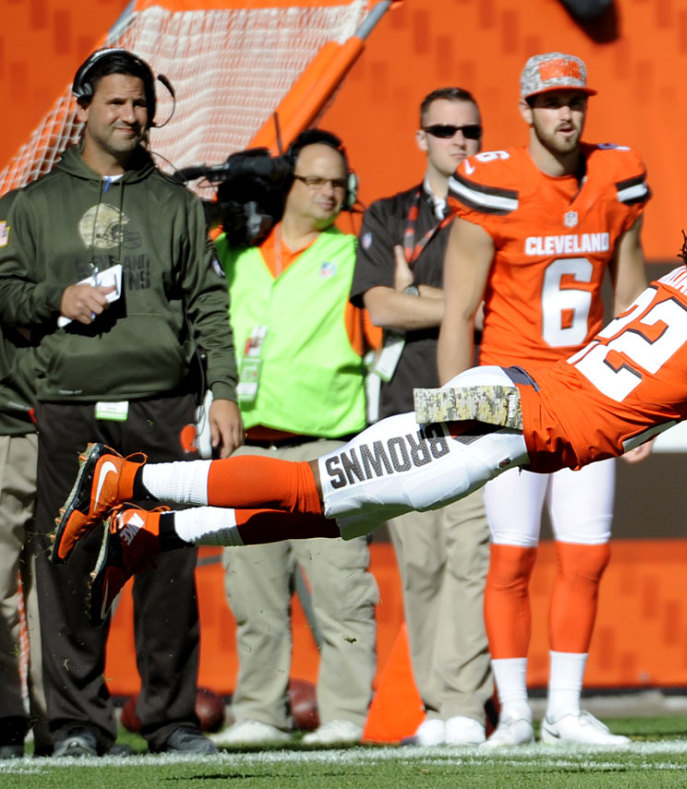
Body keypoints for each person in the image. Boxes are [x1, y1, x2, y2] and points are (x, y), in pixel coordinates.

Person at [53, 202, 687, 722]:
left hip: (515, 409)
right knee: (321, 485)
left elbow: (677, 381)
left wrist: (682, 414)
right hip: (502, 420)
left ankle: (158, 525)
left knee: (338, 514)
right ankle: (126, 480)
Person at [0, 48, 241, 757]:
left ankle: (170, 720)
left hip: (163, 406)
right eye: (115, 102)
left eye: (140, 104)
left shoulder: (174, 204)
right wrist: (56, 297)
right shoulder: (33, 205)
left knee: (167, 561)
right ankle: (77, 724)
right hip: (68, 405)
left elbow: (208, 303)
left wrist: (222, 392)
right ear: (82, 104)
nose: (131, 115)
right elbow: (5, 293)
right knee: (70, 565)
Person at [437, 51, 653, 747]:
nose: (567, 113)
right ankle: (517, 713)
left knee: (587, 554)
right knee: (514, 553)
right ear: (526, 108)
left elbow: (628, 300)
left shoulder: (616, 177)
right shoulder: (492, 184)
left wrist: (641, 401)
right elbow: (458, 310)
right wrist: (454, 406)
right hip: (510, 389)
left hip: (588, 389)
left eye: (576, 100)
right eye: (552, 100)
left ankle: (565, 708)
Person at [212, 129, 379, 748]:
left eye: (339, 181)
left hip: (328, 446)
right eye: (316, 180)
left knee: (342, 589)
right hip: (248, 444)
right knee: (252, 592)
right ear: (288, 184)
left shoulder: (359, 251)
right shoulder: (234, 253)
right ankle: (259, 711)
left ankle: (345, 713)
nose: (330, 191)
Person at [353, 87, 493, 747]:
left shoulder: (498, 209)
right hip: (406, 408)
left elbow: (495, 310)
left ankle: (465, 702)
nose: (458, 140)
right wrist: (457, 304)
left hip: (479, 405)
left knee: (470, 554)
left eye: (469, 129)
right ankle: (438, 707)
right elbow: (379, 309)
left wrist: (421, 294)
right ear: (421, 136)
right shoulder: (387, 211)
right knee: (424, 564)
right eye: (443, 129)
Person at [0, 188, 50, 758]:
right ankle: (8, 720)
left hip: (61, 417)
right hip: (10, 419)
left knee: (57, 585)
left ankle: (63, 720)